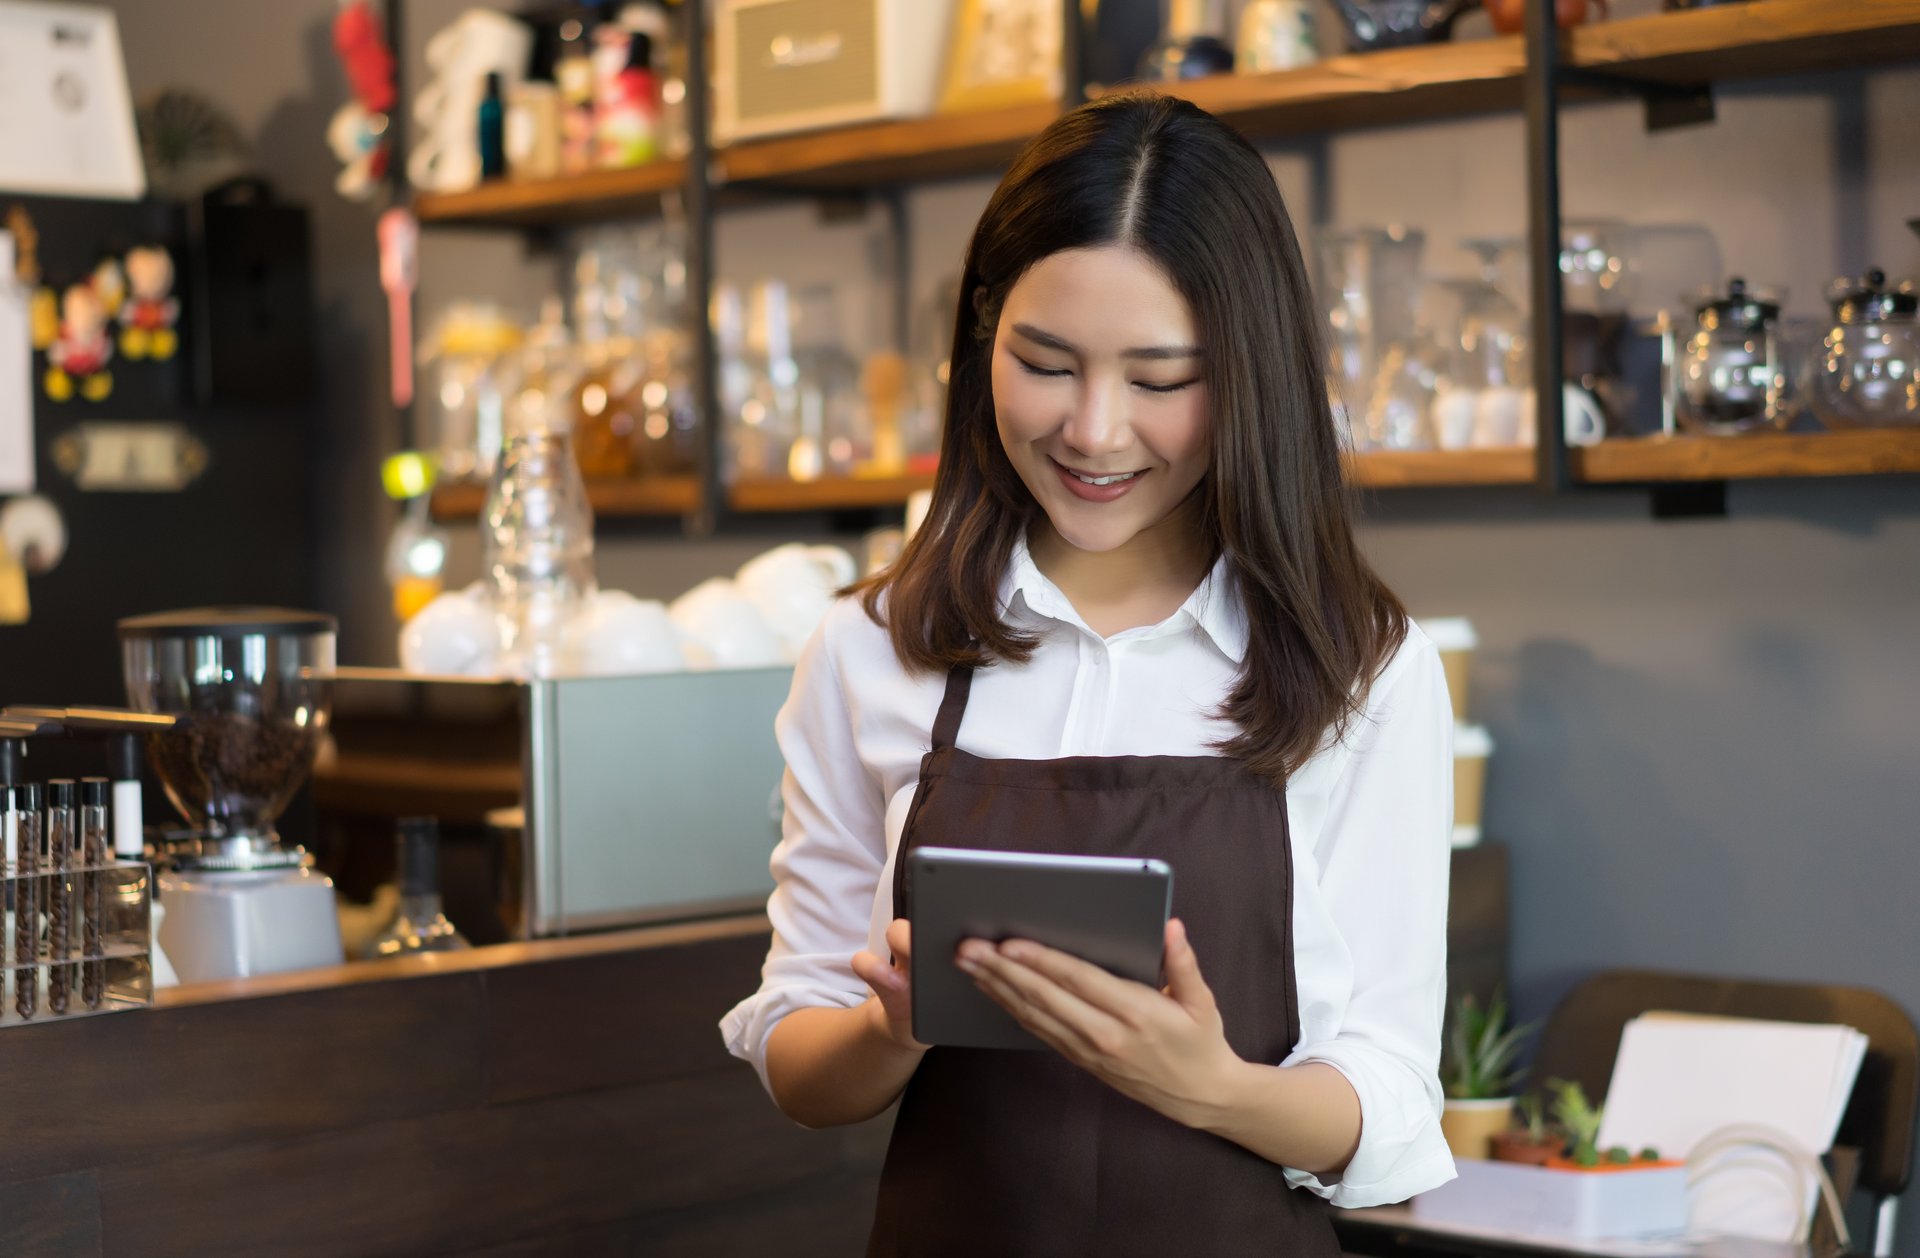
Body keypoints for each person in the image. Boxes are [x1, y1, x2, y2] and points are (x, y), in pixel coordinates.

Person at [721, 92, 1457, 1256]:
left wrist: (1208, 1084)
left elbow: (1389, 1100)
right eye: (1047, 363)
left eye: (1161, 379)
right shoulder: (871, 646)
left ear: (1251, 371)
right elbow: (803, 1058)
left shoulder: (1362, 668)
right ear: (982, 338)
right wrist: (889, 1029)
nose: (1095, 430)